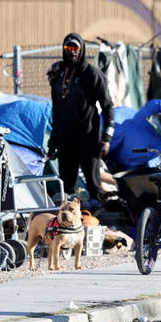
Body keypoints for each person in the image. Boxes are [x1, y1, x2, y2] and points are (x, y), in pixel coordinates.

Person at [47, 33, 115, 205]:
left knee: (93, 183)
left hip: (88, 137)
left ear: (82, 49)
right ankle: (71, 223)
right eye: (68, 48)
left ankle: (103, 217)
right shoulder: (58, 74)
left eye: (75, 48)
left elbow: (108, 106)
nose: (71, 52)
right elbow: (56, 110)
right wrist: (53, 142)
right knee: (67, 187)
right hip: (65, 138)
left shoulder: (91, 74)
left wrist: (106, 138)